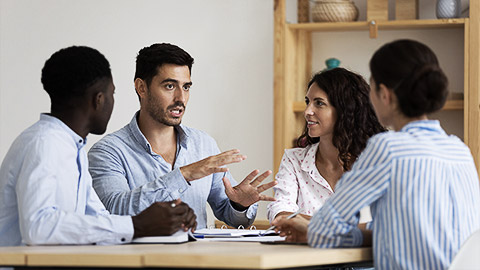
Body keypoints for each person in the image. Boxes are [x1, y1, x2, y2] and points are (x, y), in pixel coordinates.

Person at [273, 39, 480, 269]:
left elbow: (328, 225)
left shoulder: (387, 149)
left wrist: (312, 229)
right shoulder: (460, 150)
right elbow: (395, 230)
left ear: (384, 94)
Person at [0, 46, 197, 246]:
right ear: (99, 99)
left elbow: (100, 218)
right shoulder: (45, 143)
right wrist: (137, 225)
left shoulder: (71, 147)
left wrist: (164, 219)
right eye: (112, 94)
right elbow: (38, 228)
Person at [88, 43, 276, 229]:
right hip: (144, 259)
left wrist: (239, 204)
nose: (181, 98)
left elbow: (234, 218)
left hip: (199, 258)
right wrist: (183, 175)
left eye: (186, 87)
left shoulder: (203, 144)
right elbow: (113, 210)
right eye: (170, 86)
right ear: (141, 87)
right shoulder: (107, 152)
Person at [267, 68, 385, 224]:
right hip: (304, 249)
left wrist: (304, 222)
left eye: (319, 103)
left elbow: (381, 223)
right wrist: (343, 224)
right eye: (308, 102)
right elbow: (281, 214)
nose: (307, 111)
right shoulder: (293, 159)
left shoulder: (376, 162)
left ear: (345, 109)